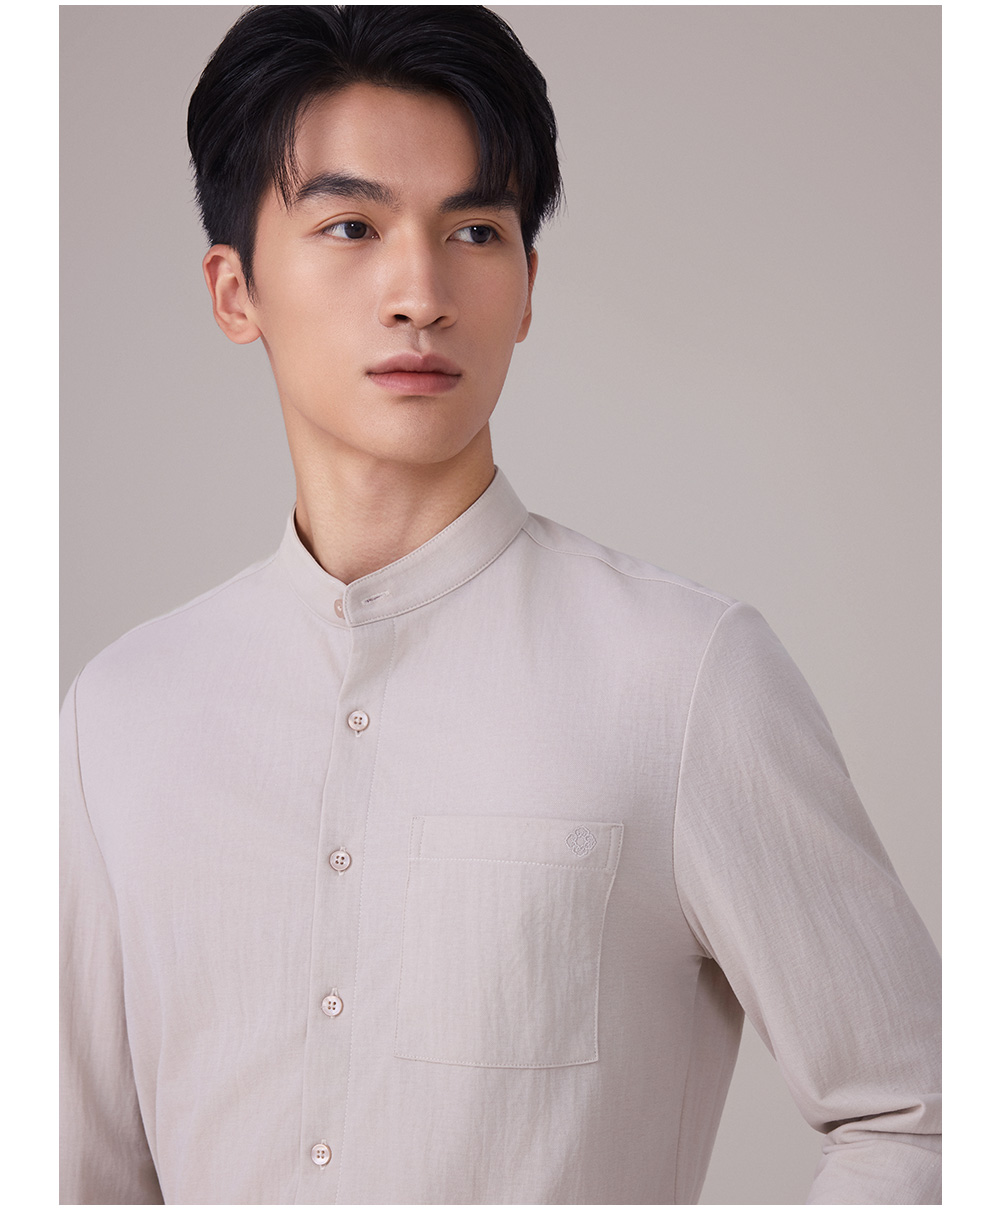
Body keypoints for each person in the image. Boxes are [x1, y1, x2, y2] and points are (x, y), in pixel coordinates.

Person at [60, 5, 941, 1205]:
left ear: (525, 286)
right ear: (235, 290)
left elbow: (922, 1114)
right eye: (351, 225)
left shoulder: (681, 676)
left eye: (474, 230)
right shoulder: (120, 716)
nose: (420, 292)